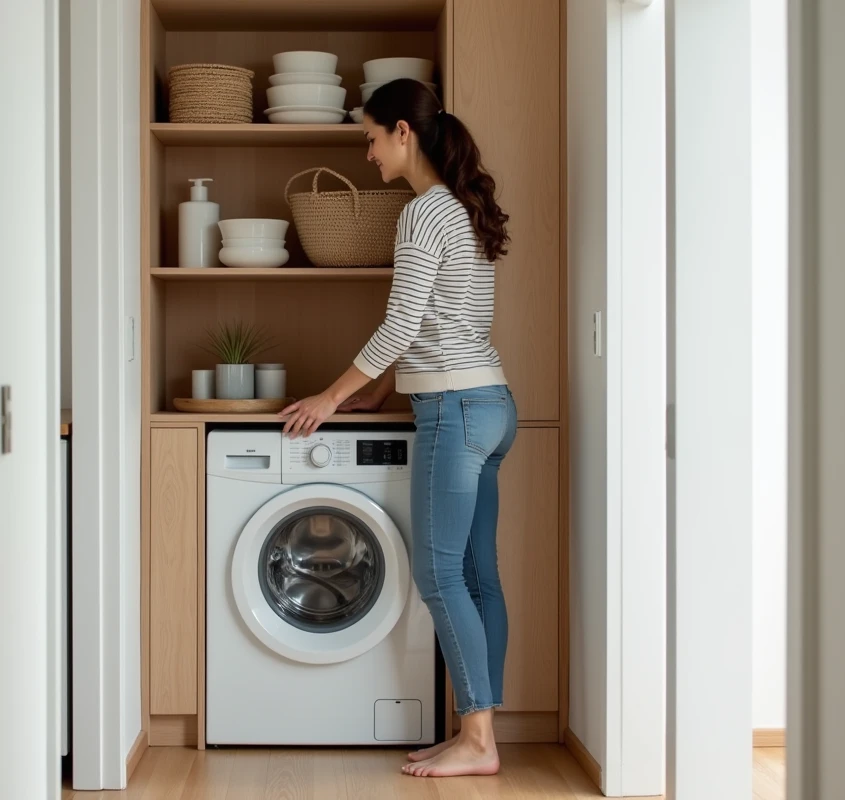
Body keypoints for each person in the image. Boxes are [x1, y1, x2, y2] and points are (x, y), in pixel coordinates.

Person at [279, 78, 518, 778]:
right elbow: (445, 325)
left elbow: (403, 324)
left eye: (372, 138)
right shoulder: (464, 208)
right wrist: (376, 391)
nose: (368, 154)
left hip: (452, 409)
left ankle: (478, 742)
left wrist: (328, 395)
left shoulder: (421, 214)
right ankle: (480, 733)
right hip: (493, 403)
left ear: (404, 135)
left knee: (439, 575)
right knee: (477, 576)